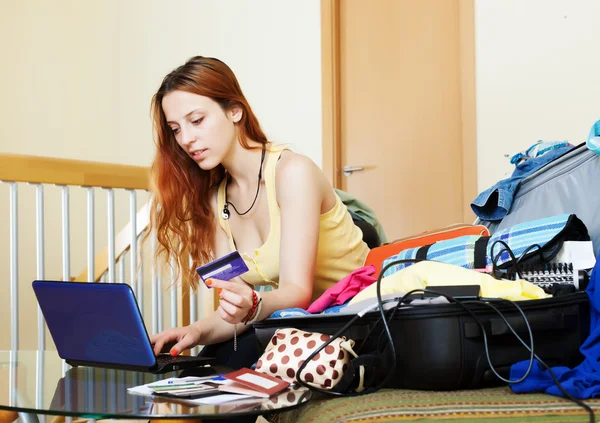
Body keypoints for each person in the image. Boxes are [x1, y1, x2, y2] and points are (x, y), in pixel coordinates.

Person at [149, 56, 370, 369]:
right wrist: (195, 331)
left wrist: (252, 306)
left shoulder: (293, 172)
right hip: (300, 323)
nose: (185, 139)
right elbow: (238, 308)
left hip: (357, 316)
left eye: (196, 120)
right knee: (203, 367)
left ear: (235, 111)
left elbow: (297, 293)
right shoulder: (214, 203)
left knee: (240, 351)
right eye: (175, 129)